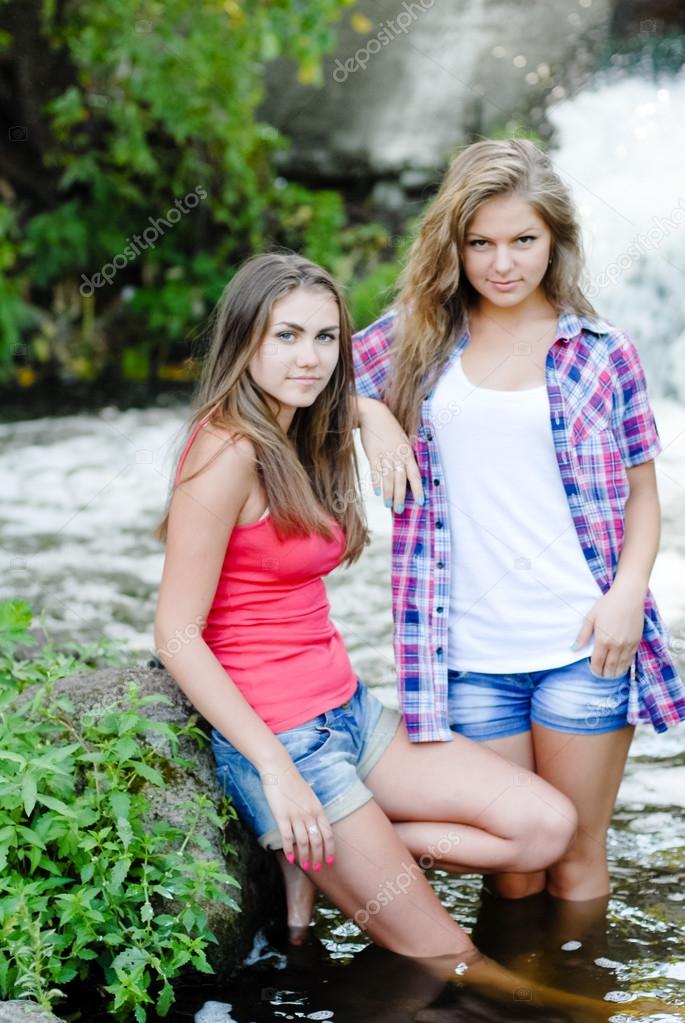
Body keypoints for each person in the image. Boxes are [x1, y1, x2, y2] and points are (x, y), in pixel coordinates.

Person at [152, 250, 592, 1001]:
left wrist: (371, 411)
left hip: (350, 713)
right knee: (458, 967)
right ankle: (586, 1003)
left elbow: (338, 390)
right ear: (243, 340)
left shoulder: (301, 428)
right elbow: (176, 634)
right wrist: (278, 774)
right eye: (286, 336)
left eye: (326, 338)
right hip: (287, 740)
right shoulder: (224, 453)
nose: (310, 357)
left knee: (545, 826)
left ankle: (350, 848)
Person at [351, 137, 685, 905]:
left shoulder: (602, 353)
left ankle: (577, 1002)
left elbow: (642, 491)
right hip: (467, 653)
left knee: (571, 852)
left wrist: (628, 590)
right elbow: (297, 383)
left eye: (523, 241)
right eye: (482, 243)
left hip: (583, 641)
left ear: (555, 240)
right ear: (455, 244)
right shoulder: (416, 339)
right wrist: (367, 409)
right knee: (511, 866)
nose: (503, 263)